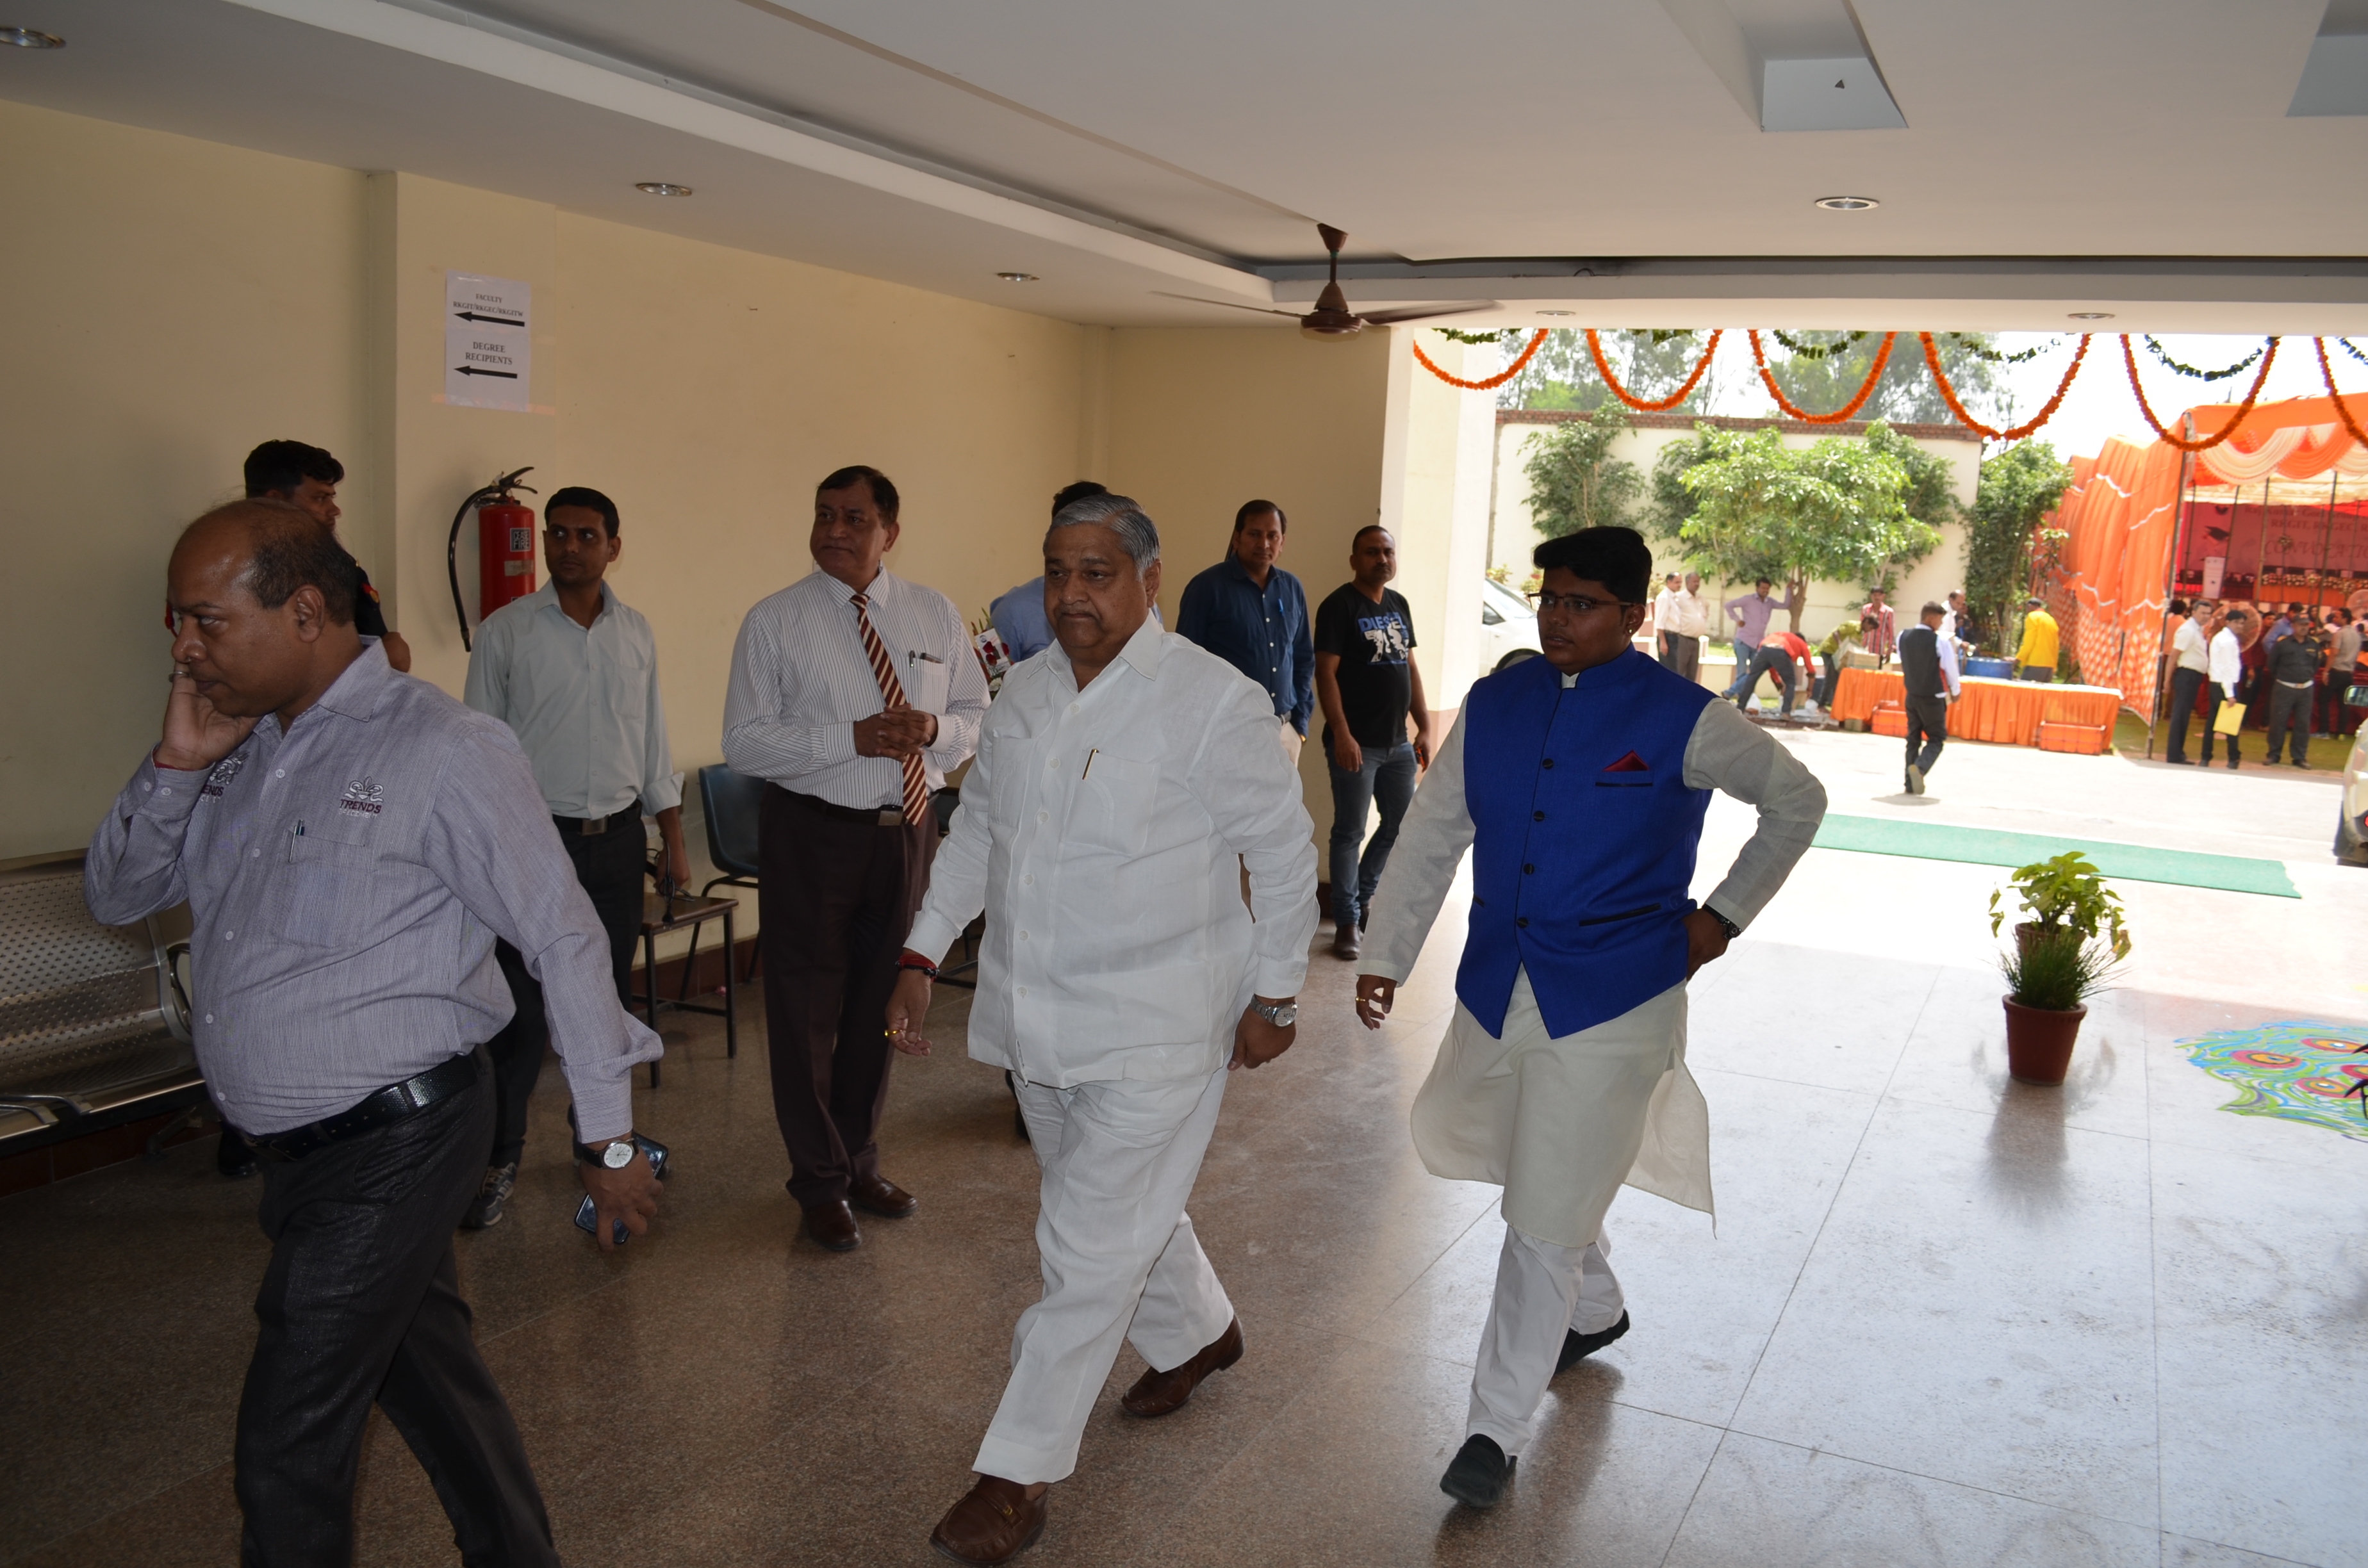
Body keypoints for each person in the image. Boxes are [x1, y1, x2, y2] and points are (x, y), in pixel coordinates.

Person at [87, 500, 662, 1566]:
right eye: (180, 622)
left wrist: (609, 1138)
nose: (185, 650)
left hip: (401, 1138)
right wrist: (175, 763)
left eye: (207, 621)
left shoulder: (444, 747)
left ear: (306, 612)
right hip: (297, 1152)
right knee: (427, 1372)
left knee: (287, 1440)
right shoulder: (233, 744)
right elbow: (118, 895)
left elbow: (565, 937)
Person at [1350, 526, 1825, 1512]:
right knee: (1543, 1171)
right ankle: (1595, 1306)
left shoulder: (1682, 716)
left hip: (1618, 999)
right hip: (1500, 984)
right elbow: (1433, 833)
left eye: (1583, 604)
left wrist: (1722, 918)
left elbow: (1797, 799)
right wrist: (1387, 954)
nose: (1558, 619)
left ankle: (1492, 1429)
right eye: (1550, 599)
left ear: (1634, 615)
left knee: (1540, 1216)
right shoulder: (1497, 704)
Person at [886, 491, 1317, 1565]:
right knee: (1112, 1209)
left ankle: (1016, 1475)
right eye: (1057, 571)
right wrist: (920, 954)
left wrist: (1276, 995)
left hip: (1161, 1025)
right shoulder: (1025, 693)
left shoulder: (1211, 701)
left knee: (1081, 1247)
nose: (1071, 593)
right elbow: (979, 835)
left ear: (1149, 580)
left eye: (1097, 572)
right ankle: (1200, 1329)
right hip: (1037, 1022)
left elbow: (1283, 850)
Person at [722, 465, 989, 1252]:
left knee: (883, 1005)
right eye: (824, 515)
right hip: (814, 832)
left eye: (854, 519)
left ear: (889, 533)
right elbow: (744, 743)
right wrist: (851, 737)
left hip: (908, 832)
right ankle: (818, 1180)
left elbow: (978, 716)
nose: (834, 530)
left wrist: (935, 731)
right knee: (805, 1013)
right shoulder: (775, 621)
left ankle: (856, 1160)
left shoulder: (933, 613)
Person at [460, 486, 689, 1228]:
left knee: (606, 1004)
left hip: (618, 844)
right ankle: (497, 1159)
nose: (569, 547)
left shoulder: (636, 632)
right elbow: (479, 752)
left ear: (613, 547)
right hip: (533, 846)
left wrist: (673, 839)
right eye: (557, 534)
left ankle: (602, 1146)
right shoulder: (505, 632)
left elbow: (652, 744)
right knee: (521, 1017)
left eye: (586, 535)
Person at [1312, 525, 1433, 960]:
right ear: (1354, 560)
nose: (1382, 559)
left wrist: (1424, 726)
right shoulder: (1339, 606)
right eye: (1371, 552)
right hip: (1355, 744)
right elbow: (1325, 673)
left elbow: (1410, 668)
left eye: (1388, 552)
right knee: (1350, 831)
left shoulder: (1399, 604)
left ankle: (1362, 900)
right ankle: (1346, 921)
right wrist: (1342, 733)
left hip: (1398, 743)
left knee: (1401, 825)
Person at [242, 440, 413, 673]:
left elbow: (392, 658)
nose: (335, 510)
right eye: (320, 498)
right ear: (276, 501)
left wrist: (389, 651)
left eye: (332, 497)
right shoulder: (232, 569)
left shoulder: (340, 567)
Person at [1178, 500, 1313, 763]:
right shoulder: (1207, 587)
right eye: (1254, 534)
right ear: (1237, 538)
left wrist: (1300, 727)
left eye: (1272, 536)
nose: (1264, 544)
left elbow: (1304, 657)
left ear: (1282, 542)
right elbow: (1187, 663)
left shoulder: (1292, 588)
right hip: (1228, 732)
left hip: (1284, 731)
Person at [991, 482, 1110, 662]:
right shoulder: (1013, 611)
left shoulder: (1139, 608)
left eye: (1095, 574)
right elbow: (992, 676)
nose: (1070, 596)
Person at [1900, 600, 1961, 796]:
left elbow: (1904, 661)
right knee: (1937, 738)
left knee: (1913, 739)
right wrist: (1956, 691)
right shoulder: (1939, 641)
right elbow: (1950, 669)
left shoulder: (1903, 636)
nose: (1940, 624)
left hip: (1912, 695)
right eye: (1940, 620)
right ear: (1931, 618)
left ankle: (1909, 783)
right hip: (1933, 697)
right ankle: (1920, 768)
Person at [2263, 612, 2324, 768]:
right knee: (2278, 722)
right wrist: (2285, 677)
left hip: (2305, 689)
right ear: (2293, 626)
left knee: (2303, 724)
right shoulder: (2283, 644)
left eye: (2306, 625)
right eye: (2301, 625)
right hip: (2284, 687)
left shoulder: (2314, 644)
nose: (2304, 628)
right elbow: (2272, 665)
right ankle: (2274, 754)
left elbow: (2315, 665)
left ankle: (2299, 757)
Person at [1720, 577, 1791, 697]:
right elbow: (1728, 605)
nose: (1765, 591)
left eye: (1767, 589)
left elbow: (1785, 605)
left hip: (1758, 643)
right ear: (1757, 588)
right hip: (1743, 641)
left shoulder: (1770, 602)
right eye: (1763, 588)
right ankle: (1740, 699)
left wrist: (1789, 589)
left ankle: (1733, 695)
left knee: (1754, 673)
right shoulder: (1747, 600)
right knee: (1742, 673)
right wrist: (1737, 620)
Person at [2166, 602, 2216, 764]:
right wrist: (2167, 680)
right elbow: (2174, 656)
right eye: (2203, 613)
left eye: (2208, 613)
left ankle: (2178, 752)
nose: (2206, 616)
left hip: (2194, 676)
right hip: (2186, 675)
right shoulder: (2188, 630)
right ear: (2193, 612)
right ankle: (2174, 755)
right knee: (2180, 715)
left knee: (2184, 715)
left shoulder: (2198, 630)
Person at [1734, 626, 1811, 719]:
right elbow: (1811, 669)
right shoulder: (1801, 643)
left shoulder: (1781, 636)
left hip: (1764, 649)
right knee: (1790, 683)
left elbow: (1772, 667)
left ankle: (1740, 708)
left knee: (1752, 678)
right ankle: (1786, 713)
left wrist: (1779, 685)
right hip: (1781, 651)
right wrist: (1810, 689)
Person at [2205, 608, 2249, 769]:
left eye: (2242, 623)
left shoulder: (2222, 638)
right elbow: (2226, 668)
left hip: (2217, 683)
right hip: (2226, 684)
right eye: (2236, 622)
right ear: (2227, 622)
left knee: (2213, 722)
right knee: (2230, 724)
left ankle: (2206, 756)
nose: (2239, 626)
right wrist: (2230, 693)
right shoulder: (2227, 641)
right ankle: (2233, 757)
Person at [1812, 617, 1870, 709]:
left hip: (1840, 655)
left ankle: (1834, 703)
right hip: (1830, 651)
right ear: (1867, 622)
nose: (1870, 630)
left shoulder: (1860, 634)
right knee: (1831, 677)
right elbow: (1836, 633)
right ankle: (1821, 704)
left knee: (1838, 678)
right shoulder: (1852, 625)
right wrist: (1841, 645)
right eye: (1871, 627)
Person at [2015, 596, 2059, 682]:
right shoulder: (2050, 619)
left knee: (2026, 689)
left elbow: (2030, 640)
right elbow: (2056, 643)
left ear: (2030, 606)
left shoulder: (2033, 617)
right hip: (2049, 665)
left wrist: (2019, 658)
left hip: (2036, 662)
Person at [1861, 587, 1898, 667]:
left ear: (1883, 596)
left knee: (1876, 673)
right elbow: (1861, 627)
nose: (1877, 598)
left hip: (1879, 650)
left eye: (1879, 595)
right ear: (1871, 596)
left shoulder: (1888, 612)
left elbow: (1891, 632)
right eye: (1875, 595)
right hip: (1865, 649)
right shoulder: (1866, 609)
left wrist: (1889, 651)